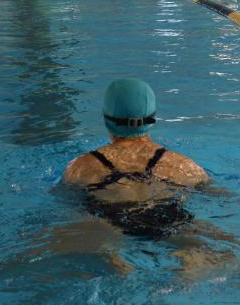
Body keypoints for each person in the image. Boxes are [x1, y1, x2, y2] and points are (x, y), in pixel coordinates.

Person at [61, 78, 208, 240]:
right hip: (169, 218)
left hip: (107, 222)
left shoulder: (79, 167)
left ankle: (118, 260)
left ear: (106, 117)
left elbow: (66, 200)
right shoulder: (184, 165)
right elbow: (218, 195)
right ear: (152, 118)